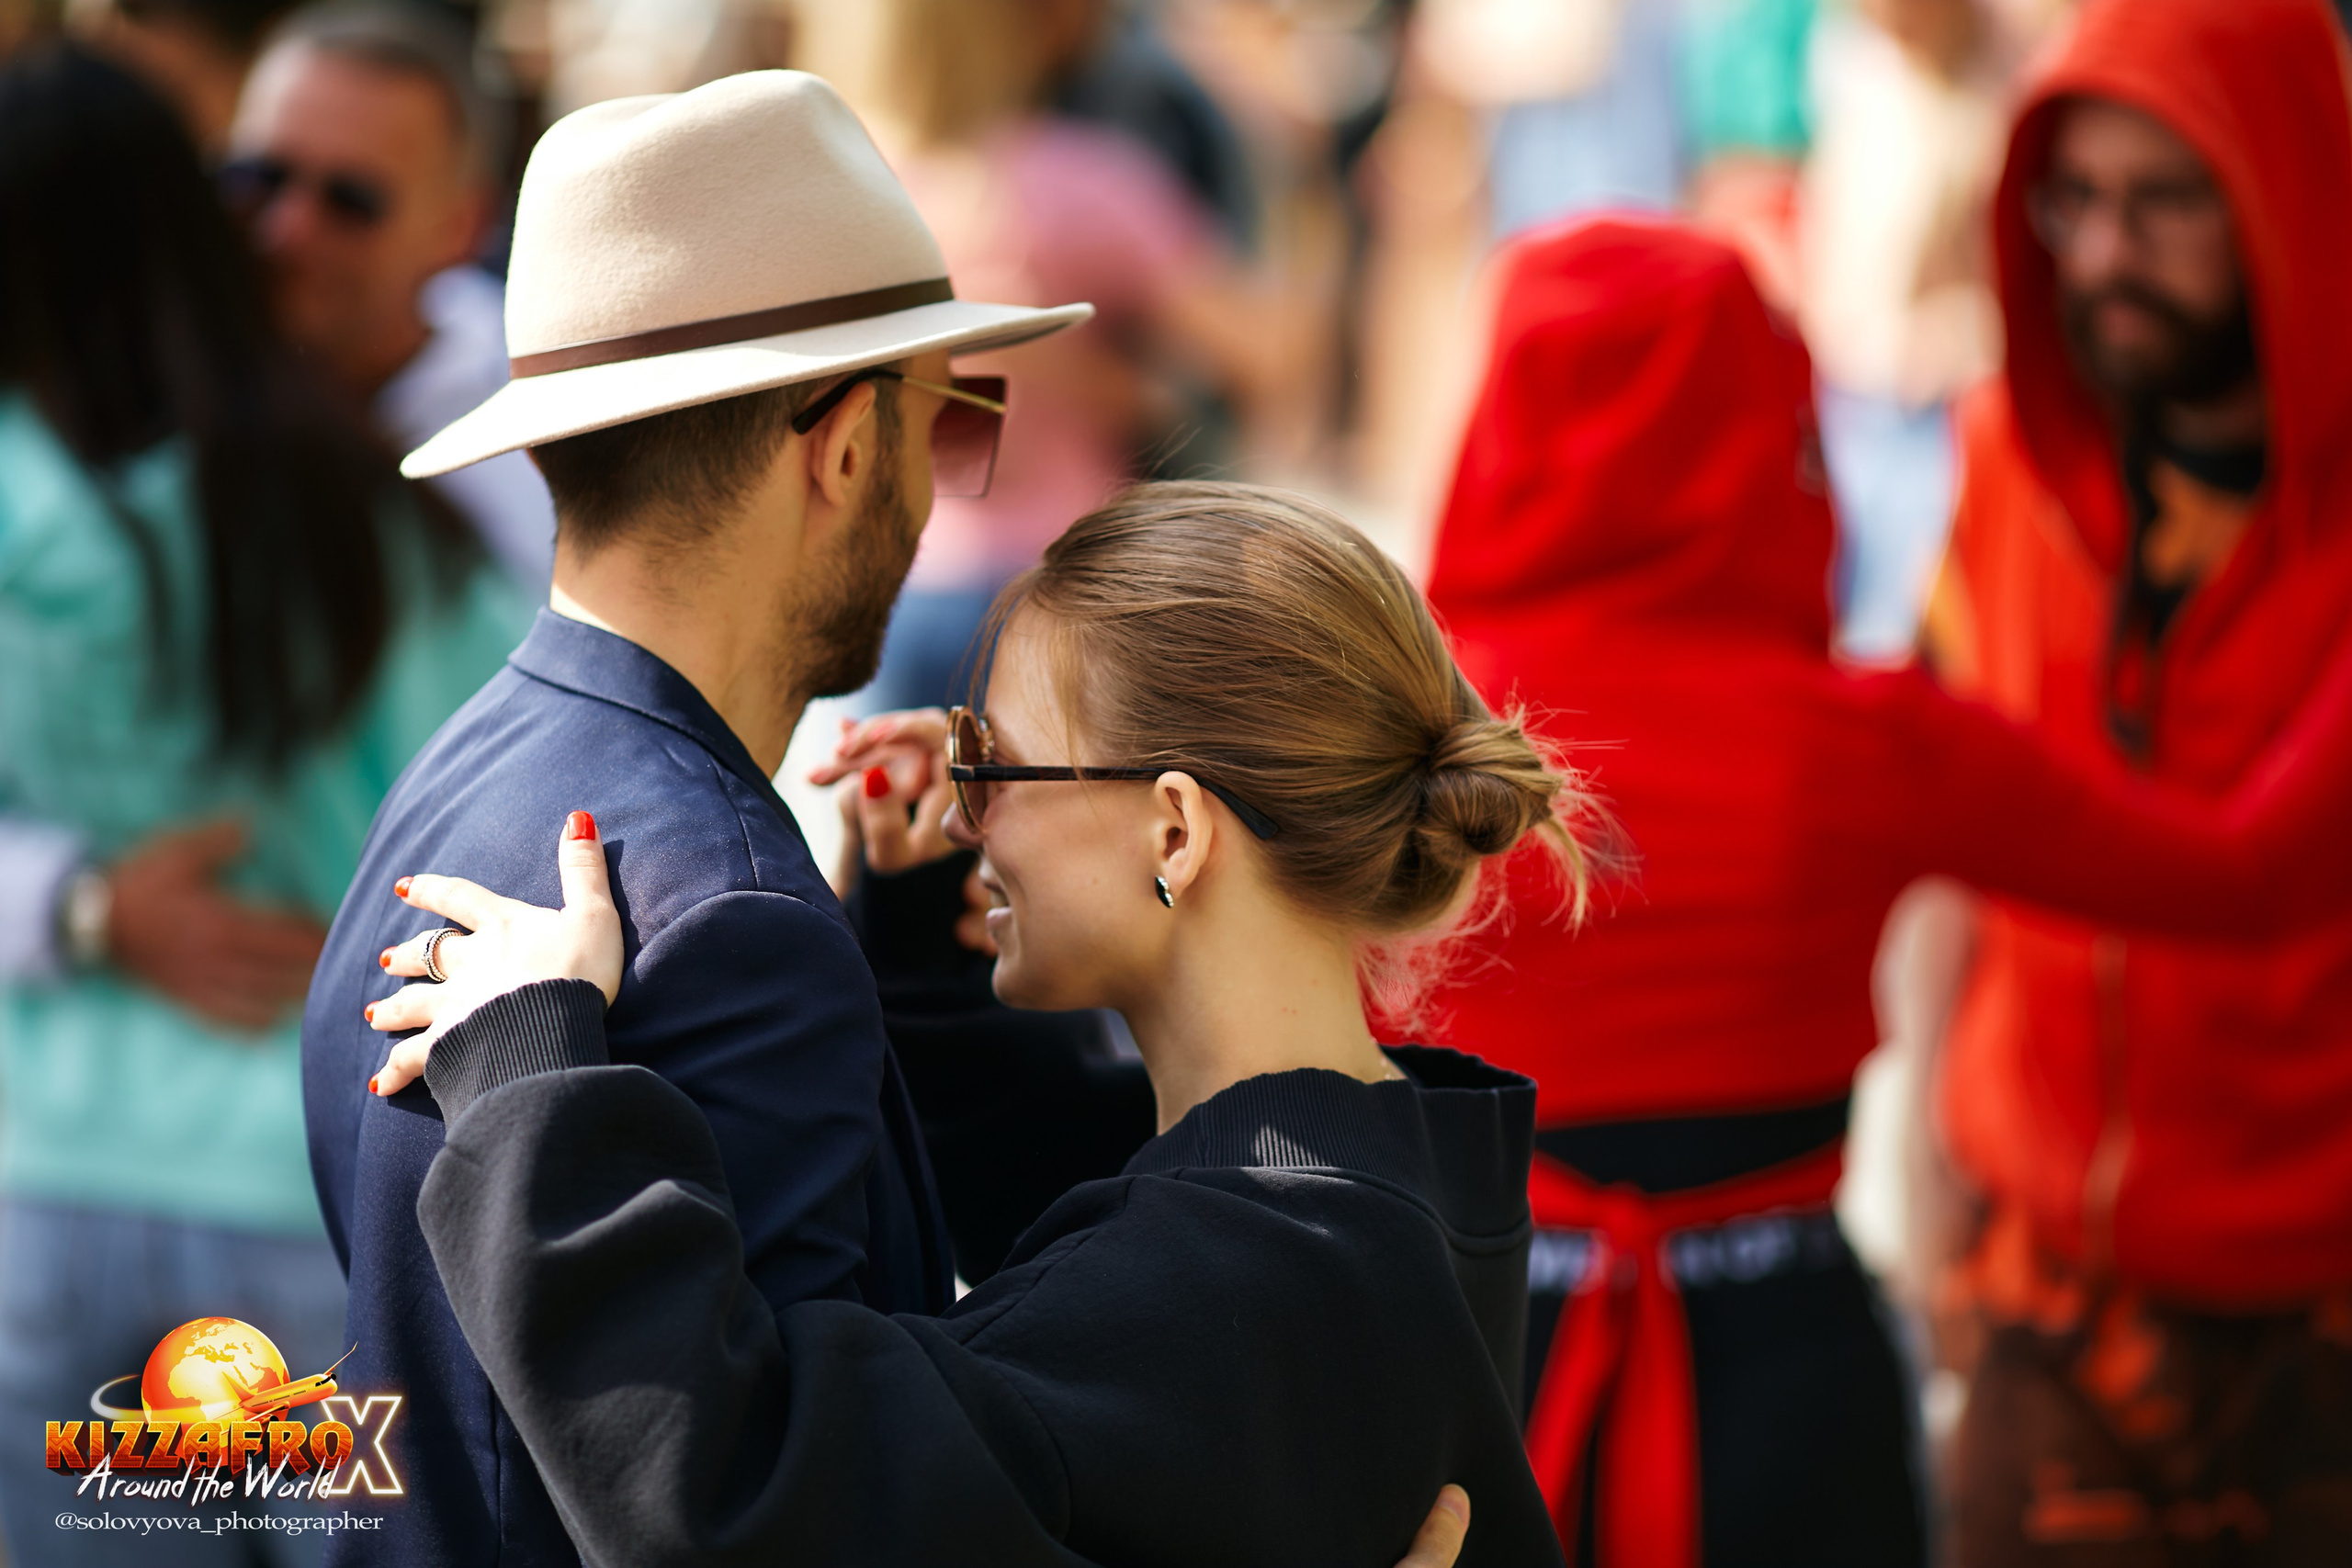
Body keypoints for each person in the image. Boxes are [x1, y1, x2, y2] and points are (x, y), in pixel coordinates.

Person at [361, 481, 1574, 1566]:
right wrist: (934, 928)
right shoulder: (1385, 1178)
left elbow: (747, 1503)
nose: (963, 815)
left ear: (1173, 832)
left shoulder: (1225, 1283)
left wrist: (535, 1083)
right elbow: (1080, 1218)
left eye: (994, 762)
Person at [1418, 217, 2352, 1567]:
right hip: (1794, 1384)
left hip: (1466, 1373)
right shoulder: (1864, 737)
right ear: (1766, 428)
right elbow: (2247, 870)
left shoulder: (1398, 722)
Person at [299, 69, 1098, 1565]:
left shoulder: (455, 784)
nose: (934, 498)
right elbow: (779, 1513)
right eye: (947, 424)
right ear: (845, 445)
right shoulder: (728, 910)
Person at [0, 42, 529, 1565]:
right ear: (193, 221)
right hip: (305, 1208)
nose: (286, 226)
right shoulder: (362, 510)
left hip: (57, 1193)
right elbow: (515, 789)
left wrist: (81, 905)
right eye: (254, 183)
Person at [1925, 0, 2352, 1554]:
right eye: (2075, 203)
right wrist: (1932, 1202)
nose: (2103, 256)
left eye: (2166, 202)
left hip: (2323, 1319)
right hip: (2045, 1303)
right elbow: (1952, 841)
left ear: (2290, 194)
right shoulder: (2002, 463)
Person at [795, 0, 1296, 710]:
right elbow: (1265, 351)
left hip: (886, 583)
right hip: (1062, 575)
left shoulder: (838, 195)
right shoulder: (1077, 185)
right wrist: (1124, 386)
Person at [226, 0, 558, 586]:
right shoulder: (150, 377)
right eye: (260, 175)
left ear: (462, 227)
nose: (285, 229)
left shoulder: (530, 480)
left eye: (352, 200)